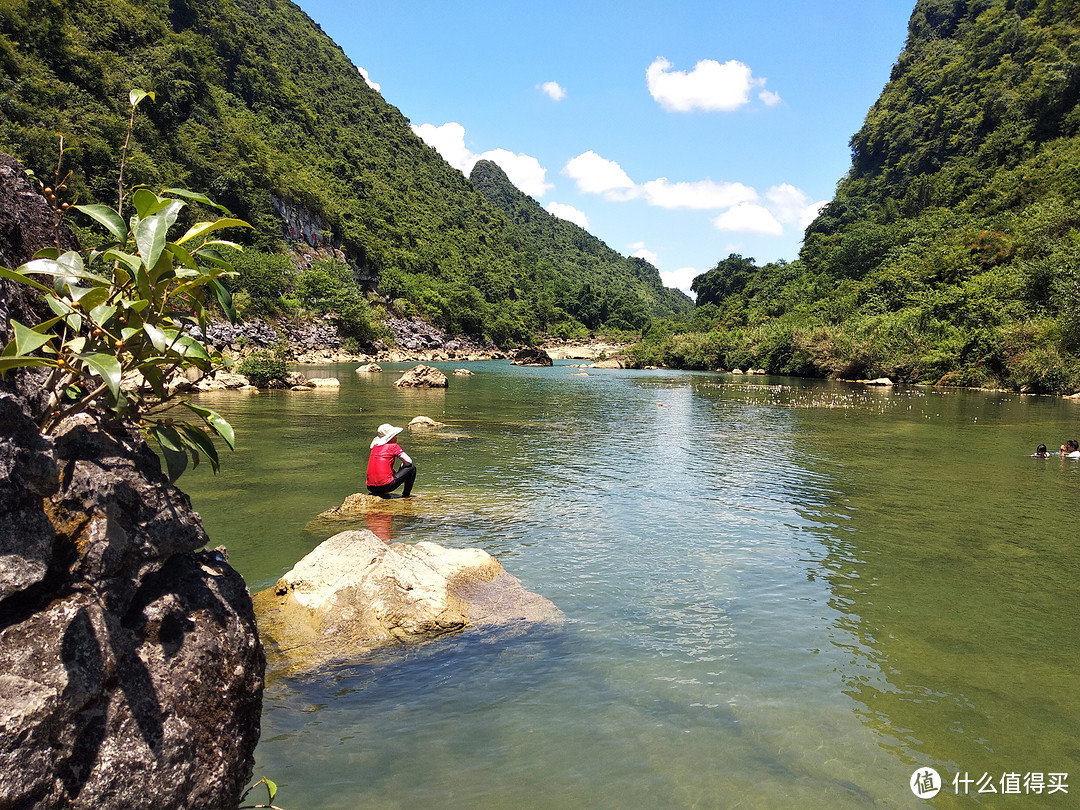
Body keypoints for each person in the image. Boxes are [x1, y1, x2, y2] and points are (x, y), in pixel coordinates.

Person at [366, 423, 416, 497]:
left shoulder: (374, 447)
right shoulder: (393, 446)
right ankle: (406, 495)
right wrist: (403, 466)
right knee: (412, 468)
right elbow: (409, 461)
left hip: (370, 487)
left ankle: (379, 494)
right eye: (394, 436)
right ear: (390, 437)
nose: (396, 437)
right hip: (386, 486)